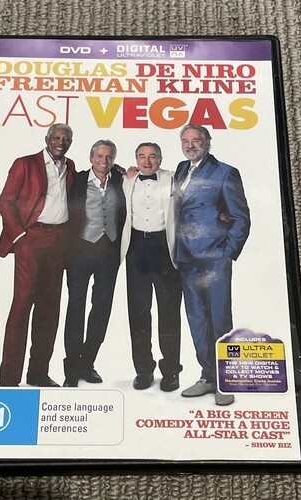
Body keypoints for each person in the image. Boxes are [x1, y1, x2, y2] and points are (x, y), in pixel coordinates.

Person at [173, 124, 250, 405]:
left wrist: (227, 253)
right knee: (196, 319)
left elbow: (241, 217)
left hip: (214, 257)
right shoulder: (181, 169)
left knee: (219, 319)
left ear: (208, 142)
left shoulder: (225, 172)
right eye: (185, 140)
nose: (190, 145)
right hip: (186, 257)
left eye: (196, 140)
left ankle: (225, 380)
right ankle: (207, 376)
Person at [0, 123, 76, 387]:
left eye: (66, 139)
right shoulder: (25, 164)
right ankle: (9, 380)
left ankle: (38, 373)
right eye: (56, 137)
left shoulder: (70, 166)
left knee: (50, 309)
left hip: (59, 241)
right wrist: (19, 235)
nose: (61, 142)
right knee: (22, 306)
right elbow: (5, 201)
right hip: (30, 239)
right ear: (47, 139)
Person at [62, 139, 126, 387]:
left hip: (109, 251)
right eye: (99, 156)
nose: (103, 161)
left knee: (102, 308)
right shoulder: (76, 180)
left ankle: (87, 363)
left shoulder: (120, 180)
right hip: (79, 250)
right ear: (91, 158)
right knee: (75, 308)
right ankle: (71, 369)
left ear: (114, 159)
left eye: (109, 157)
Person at [120, 143, 182, 391]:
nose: (147, 162)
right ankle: (143, 370)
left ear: (161, 159)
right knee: (138, 312)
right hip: (136, 249)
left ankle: (171, 371)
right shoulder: (127, 180)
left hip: (165, 249)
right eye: (142, 157)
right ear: (135, 159)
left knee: (169, 312)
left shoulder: (173, 178)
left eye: (152, 156)